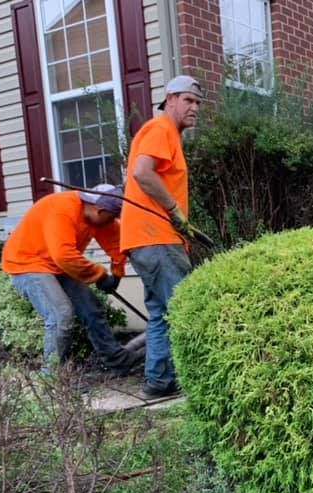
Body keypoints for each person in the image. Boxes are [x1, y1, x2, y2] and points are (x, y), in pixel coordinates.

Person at [121, 75, 203, 399]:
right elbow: (142, 172)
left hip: (147, 239)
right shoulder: (161, 129)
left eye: (197, 103)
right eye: (188, 100)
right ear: (170, 99)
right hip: (156, 237)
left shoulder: (170, 134)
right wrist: (174, 209)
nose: (194, 107)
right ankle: (199, 382)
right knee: (185, 309)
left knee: (161, 312)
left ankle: (159, 381)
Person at [1, 184, 134, 374]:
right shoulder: (62, 210)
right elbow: (64, 256)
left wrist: (117, 273)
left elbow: (117, 243)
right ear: (99, 210)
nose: (113, 221)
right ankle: (51, 378)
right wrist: (99, 274)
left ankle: (116, 361)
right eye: (112, 217)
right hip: (27, 263)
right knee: (60, 315)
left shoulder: (98, 218)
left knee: (91, 308)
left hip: (57, 265)